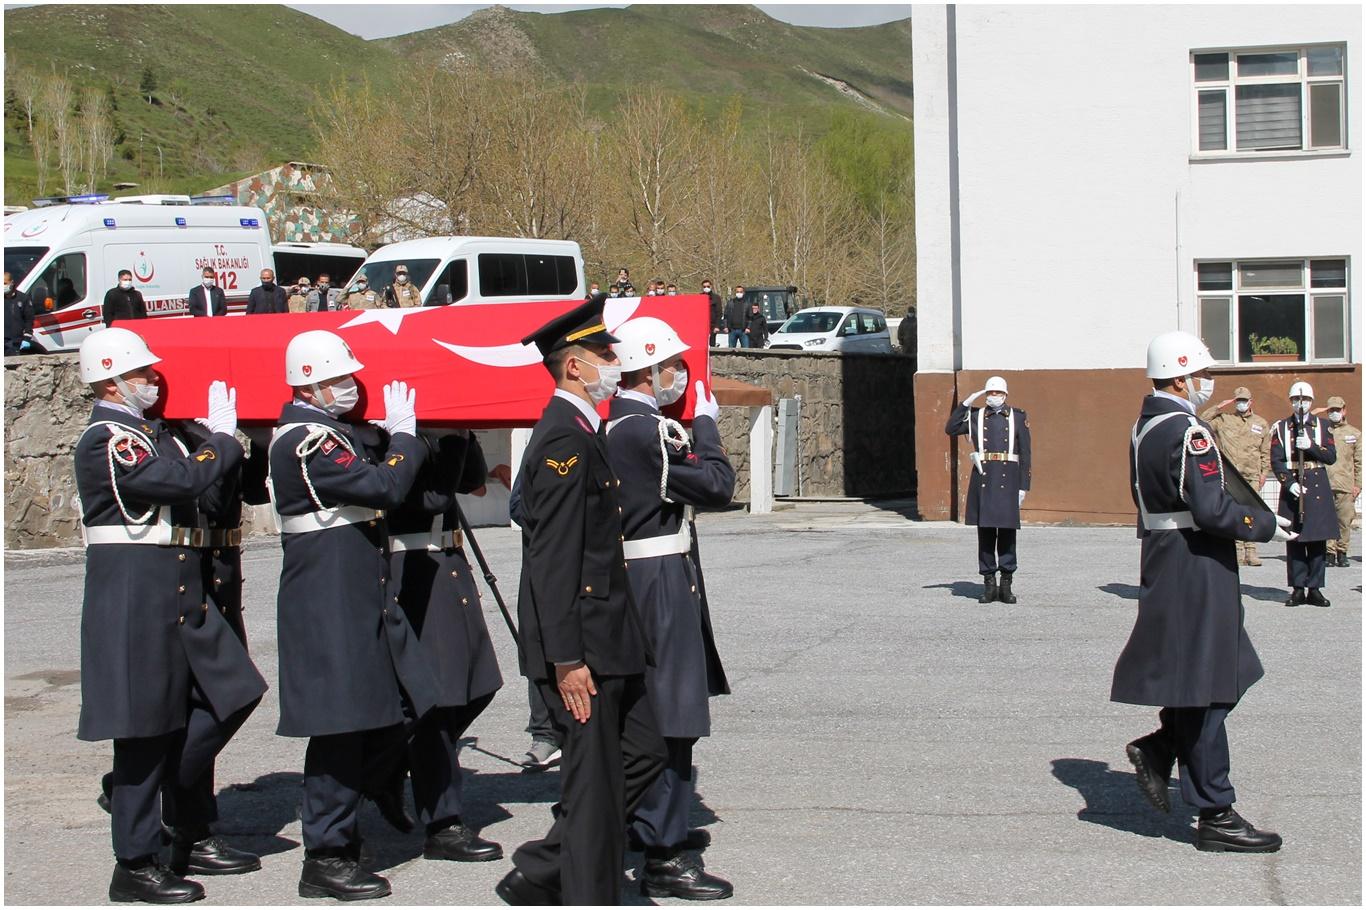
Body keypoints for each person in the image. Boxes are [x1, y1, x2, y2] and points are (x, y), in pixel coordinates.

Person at [74, 328, 267, 902]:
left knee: (231, 692)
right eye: (143, 374)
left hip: (175, 590)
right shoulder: (110, 436)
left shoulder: (147, 432)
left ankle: (168, 801)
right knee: (143, 732)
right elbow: (174, 481)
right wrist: (222, 441)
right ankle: (133, 864)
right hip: (135, 593)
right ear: (111, 380)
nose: (154, 380)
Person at [495, 296, 666, 906]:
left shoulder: (581, 432)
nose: (615, 363)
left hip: (610, 637)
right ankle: (588, 894)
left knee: (644, 752)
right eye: (604, 354)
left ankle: (544, 869)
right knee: (592, 784)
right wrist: (566, 660)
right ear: (575, 367)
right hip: (585, 647)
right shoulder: (562, 442)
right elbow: (554, 560)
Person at [268, 330, 439, 901]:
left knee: (400, 707)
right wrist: (404, 440)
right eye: (340, 378)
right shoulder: (306, 441)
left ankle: (374, 791)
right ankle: (326, 856)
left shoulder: (328, 433)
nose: (351, 386)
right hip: (328, 604)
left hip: (356, 595)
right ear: (310, 382)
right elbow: (384, 485)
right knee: (339, 730)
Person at [1113, 330, 1290, 853]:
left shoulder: (1146, 425)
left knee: (1219, 675)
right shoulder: (1188, 430)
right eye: (1202, 374)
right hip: (1195, 562)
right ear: (1181, 375)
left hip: (1172, 559)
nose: (1207, 383)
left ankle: (1164, 745)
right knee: (1213, 685)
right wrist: (1261, 525)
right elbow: (1212, 509)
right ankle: (1216, 810)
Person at [607, 318, 735, 900]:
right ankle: (664, 848)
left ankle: (650, 823)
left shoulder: (624, 426)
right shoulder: (644, 429)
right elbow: (716, 485)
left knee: (656, 707)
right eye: (674, 365)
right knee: (672, 713)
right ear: (650, 371)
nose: (680, 374)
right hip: (658, 576)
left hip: (652, 570)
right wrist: (705, 426)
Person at [386, 429, 504, 863]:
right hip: (412, 565)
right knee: (437, 704)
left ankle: (392, 767)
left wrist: (463, 432)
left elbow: (470, 478)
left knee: (479, 684)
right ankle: (443, 822)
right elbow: (432, 499)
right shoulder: (391, 434)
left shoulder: (435, 432)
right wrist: (450, 436)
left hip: (448, 561)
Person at [944, 375, 1032, 603]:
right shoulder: (976, 416)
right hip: (984, 479)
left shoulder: (1018, 416)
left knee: (1007, 535)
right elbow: (951, 428)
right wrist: (966, 403)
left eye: (998, 393)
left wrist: (1024, 486)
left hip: (1008, 480)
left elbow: (1026, 454)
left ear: (1005, 395)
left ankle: (1006, 585)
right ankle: (989, 585)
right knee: (985, 536)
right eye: (990, 393)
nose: (994, 397)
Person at [1270, 381, 1338, 607]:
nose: (1302, 403)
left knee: (1317, 538)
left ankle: (1315, 588)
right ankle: (1298, 587)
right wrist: (1287, 483)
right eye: (1298, 400)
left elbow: (1330, 457)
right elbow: (1276, 460)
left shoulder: (1323, 425)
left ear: (1312, 401)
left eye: (1306, 400)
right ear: (1291, 401)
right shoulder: (1280, 427)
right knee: (1295, 537)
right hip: (1293, 481)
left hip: (1316, 482)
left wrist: (1310, 446)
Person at [1199, 387, 1272, 565]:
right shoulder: (1224, 419)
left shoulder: (1260, 423)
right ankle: (1238, 550)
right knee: (1235, 512)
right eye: (1238, 400)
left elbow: (1265, 451)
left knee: (1252, 512)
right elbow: (1201, 422)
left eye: (1244, 400)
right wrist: (1218, 407)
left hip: (1251, 475)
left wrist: (1264, 473)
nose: (1241, 403)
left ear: (1250, 402)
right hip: (1230, 476)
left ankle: (1251, 550)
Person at [1322, 396, 1361, 568]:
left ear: (1344, 410)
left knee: (1344, 521)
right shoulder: (1323, 431)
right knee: (1327, 519)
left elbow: (1359, 461)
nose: (1335, 413)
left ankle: (1342, 552)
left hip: (1346, 484)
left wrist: (1358, 484)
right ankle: (1329, 552)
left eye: (1338, 410)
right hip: (1325, 483)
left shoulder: (1354, 434)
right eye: (1331, 410)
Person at [4, 271, 35, 355]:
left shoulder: (23, 298)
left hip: (15, 343)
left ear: (12, 282)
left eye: (4, 283)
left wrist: (27, 338)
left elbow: (29, 320)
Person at [701, 281, 723, 347]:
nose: (706, 288)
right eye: (704, 287)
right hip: (702, 325)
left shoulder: (716, 298)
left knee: (712, 343)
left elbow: (719, 313)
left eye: (708, 286)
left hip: (713, 325)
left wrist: (717, 326)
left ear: (711, 286)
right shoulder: (700, 297)